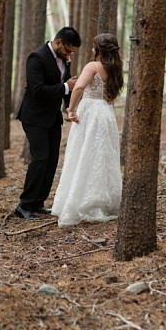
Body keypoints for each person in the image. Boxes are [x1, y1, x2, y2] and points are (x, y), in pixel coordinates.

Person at [51, 34, 125, 227]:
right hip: (106, 112)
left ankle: (81, 201)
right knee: (101, 154)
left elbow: (78, 88)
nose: (92, 50)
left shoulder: (92, 66)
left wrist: (71, 110)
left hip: (90, 112)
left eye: (94, 47)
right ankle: (103, 199)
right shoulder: (115, 68)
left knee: (83, 152)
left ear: (99, 49)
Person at [15, 27, 81, 220]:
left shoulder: (64, 57)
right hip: (34, 117)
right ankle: (24, 205)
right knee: (40, 158)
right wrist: (65, 87)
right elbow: (38, 90)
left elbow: (67, 85)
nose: (69, 55)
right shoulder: (36, 58)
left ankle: (38, 202)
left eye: (72, 52)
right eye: (68, 50)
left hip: (53, 117)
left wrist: (69, 108)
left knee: (52, 160)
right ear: (58, 42)